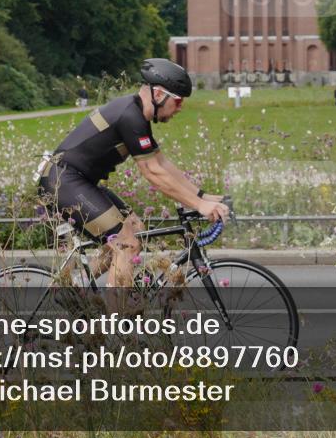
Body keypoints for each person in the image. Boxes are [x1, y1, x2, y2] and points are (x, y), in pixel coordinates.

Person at [38, 59, 230, 288]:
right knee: (126, 244)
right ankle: (114, 320)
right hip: (63, 182)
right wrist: (199, 206)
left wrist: (202, 196)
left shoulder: (137, 114)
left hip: (78, 181)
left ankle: (77, 287)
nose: (180, 108)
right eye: (178, 101)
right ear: (159, 95)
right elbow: (152, 172)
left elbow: (161, 163)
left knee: (135, 229)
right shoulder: (130, 116)